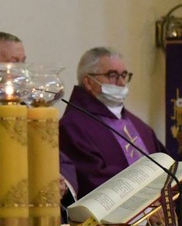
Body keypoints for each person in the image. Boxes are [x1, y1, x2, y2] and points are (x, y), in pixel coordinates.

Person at [0, 32, 79, 211]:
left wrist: (60, 183)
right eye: (15, 63)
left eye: (23, 62)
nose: (25, 73)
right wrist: (39, 183)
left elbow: (61, 162)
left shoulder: (32, 113)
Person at [59, 46, 168, 198]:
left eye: (124, 75)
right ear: (88, 82)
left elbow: (167, 169)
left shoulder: (141, 127)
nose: (122, 83)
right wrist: (143, 205)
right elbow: (93, 179)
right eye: (112, 75)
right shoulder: (73, 126)